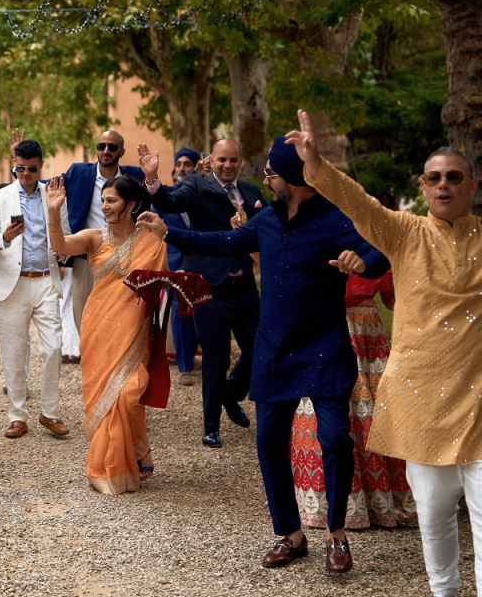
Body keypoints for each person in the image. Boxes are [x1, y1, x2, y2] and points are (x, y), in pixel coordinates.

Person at [138, 136, 388, 573]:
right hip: (275, 350)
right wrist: (168, 231)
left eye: (271, 173)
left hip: (325, 348)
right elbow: (221, 241)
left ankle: (336, 534)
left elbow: (378, 252)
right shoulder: (267, 220)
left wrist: (360, 262)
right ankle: (290, 535)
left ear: (292, 178)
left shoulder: (333, 219)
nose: (266, 179)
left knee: (335, 440)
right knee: (269, 442)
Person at [287, 111, 482, 597]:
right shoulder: (405, 233)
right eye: (434, 178)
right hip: (422, 400)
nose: (444, 185)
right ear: (423, 187)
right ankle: (442, 593)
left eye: (454, 177)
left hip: (479, 397)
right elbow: (360, 204)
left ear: (472, 185)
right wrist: (316, 164)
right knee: (433, 509)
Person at [45, 174, 165, 494]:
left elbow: (161, 281)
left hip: (134, 329)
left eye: (112, 200)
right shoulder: (95, 237)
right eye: (103, 201)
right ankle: (114, 466)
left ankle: (136, 449)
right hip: (99, 327)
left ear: (132, 204)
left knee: (130, 391)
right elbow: (60, 246)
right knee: (106, 396)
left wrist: (163, 234)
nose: (105, 206)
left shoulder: (151, 239)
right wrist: (54, 211)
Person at [141, 138, 263, 448]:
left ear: (240, 162)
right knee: (216, 356)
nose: (227, 165)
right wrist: (152, 178)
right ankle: (211, 426)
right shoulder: (197, 184)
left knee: (260, 349)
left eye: (233, 160)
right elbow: (168, 202)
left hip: (244, 286)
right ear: (212, 159)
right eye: (222, 159)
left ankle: (229, 394)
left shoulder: (251, 192)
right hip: (208, 286)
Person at [291, 270, 418, 530]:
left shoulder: (376, 248)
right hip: (330, 324)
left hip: (367, 330)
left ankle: (376, 499)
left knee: (373, 412)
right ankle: (337, 502)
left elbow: (394, 297)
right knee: (330, 412)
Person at [0, 139, 71, 439]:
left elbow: (66, 237)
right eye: (20, 168)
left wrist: (63, 251)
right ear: (14, 164)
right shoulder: (0, 198)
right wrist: (4, 237)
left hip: (46, 280)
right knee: (14, 352)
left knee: (53, 347)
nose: (26, 174)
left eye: (32, 169)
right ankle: (17, 415)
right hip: (13, 283)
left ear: (41, 165)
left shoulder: (53, 194)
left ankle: (50, 412)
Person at [47, 130, 145, 329]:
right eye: (101, 146)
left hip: (126, 259)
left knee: (121, 323)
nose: (106, 150)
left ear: (121, 152)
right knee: (85, 322)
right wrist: (20, 169)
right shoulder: (78, 172)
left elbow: (156, 198)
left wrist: (151, 176)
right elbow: (48, 186)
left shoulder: (134, 176)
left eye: (112, 147)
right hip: (87, 257)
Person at [164, 148, 202, 386]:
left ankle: (202, 357)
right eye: (179, 164)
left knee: (203, 310)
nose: (182, 168)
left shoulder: (206, 195)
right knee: (180, 313)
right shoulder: (167, 196)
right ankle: (184, 367)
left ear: (197, 167)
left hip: (204, 261)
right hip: (176, 264)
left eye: (187, 164)